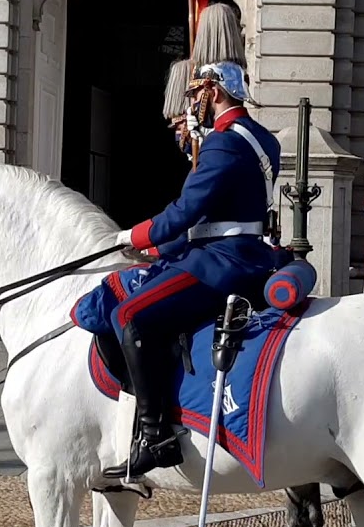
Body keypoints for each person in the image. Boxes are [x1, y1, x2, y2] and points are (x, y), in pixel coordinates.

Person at [100, 60, 281, 481]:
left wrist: (133, 235)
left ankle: (155, 435)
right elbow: (218, 212)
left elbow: (186, 211)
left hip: (222, 262)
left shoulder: (223, 142)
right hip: (246, 251)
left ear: (213, 92)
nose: (193, 103)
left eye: (196, 94)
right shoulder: (261, 139)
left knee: (128, 315)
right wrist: (162, 247)